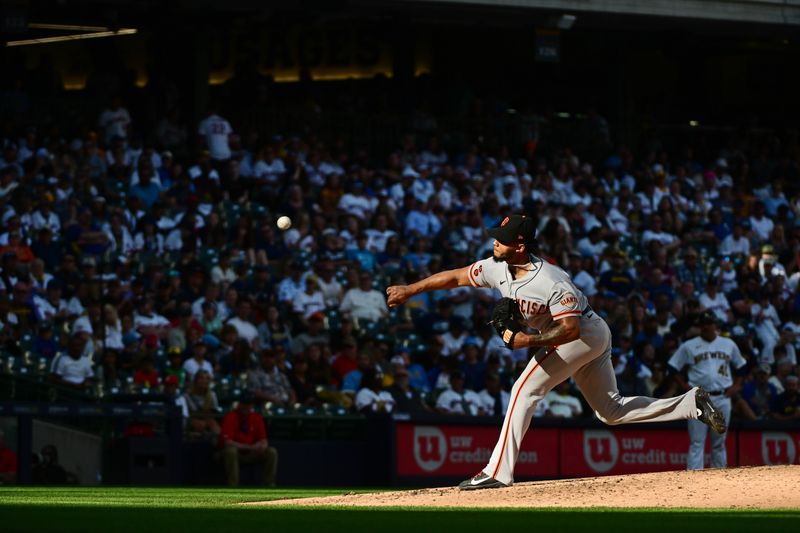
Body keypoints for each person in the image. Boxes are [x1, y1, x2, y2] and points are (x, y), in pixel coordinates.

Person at [386, 214, 724, 490]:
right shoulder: (495, 266)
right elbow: (456, 277)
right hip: (587, 333)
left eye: (501, 238)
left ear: (520, 245)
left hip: (584, 333)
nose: (494, 242)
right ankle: (690, 403)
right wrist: (409, 289)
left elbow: (570, 330)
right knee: (610, 411)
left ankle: (497, 472)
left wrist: (525, 342)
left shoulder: (551, 279)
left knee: (523, 389)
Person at [667, 311, 747, 470]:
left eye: (708, 323)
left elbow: (741, 366)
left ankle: (719, 478)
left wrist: (737, 385)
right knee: (697, 442)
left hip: (722, 396)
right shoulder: (689, 345)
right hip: (699, 398)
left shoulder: (728, 344)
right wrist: (684, 386)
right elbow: (672, 367)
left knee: (719, 443)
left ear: (715, 326)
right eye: (702, 324)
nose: (705, 326)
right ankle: (695, 479)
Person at [219, 394, 278, 486]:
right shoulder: (230, 417)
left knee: (271, 452)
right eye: (244, 404)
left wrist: (262, 446)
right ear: (239, 404)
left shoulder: (256, 417)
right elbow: (227, 442)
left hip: (252, 453)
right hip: (235, 453)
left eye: (249, 404)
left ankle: (269, 484)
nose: (246, 407)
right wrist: (250, 447)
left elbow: (264, 440)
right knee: (231, 451)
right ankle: (233, 485)